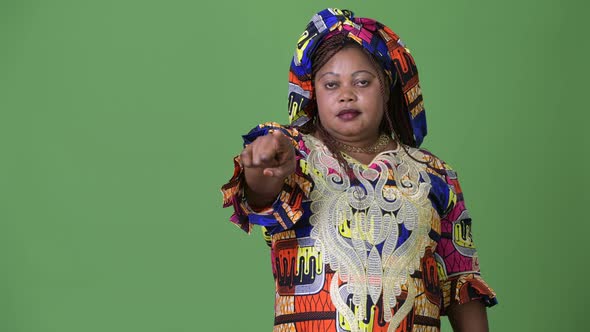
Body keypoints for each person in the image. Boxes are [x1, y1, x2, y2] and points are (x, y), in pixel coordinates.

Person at [221, 8, 497, 332]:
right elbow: (260, 196)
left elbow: (460, 281)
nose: (346, 95)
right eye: (330, 85)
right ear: (314, 93)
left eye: (362, 82)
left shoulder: (434, 174)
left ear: (387, 87)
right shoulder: (294, 154)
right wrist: (263, 166)